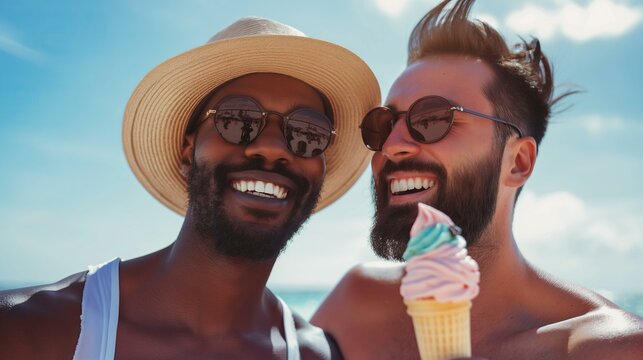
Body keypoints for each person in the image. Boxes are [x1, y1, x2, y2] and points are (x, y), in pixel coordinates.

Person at [0, 17, 380, 359]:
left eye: (306, 132)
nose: (272, 147)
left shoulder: (318, 355)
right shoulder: (29, 331)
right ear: (187, 148)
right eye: (238, 119)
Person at [312, 0, 643, 359]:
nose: (391, 147)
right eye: (383, 125)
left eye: (432, 119)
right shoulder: (355, 305)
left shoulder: (605, 348)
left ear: (518, 161)